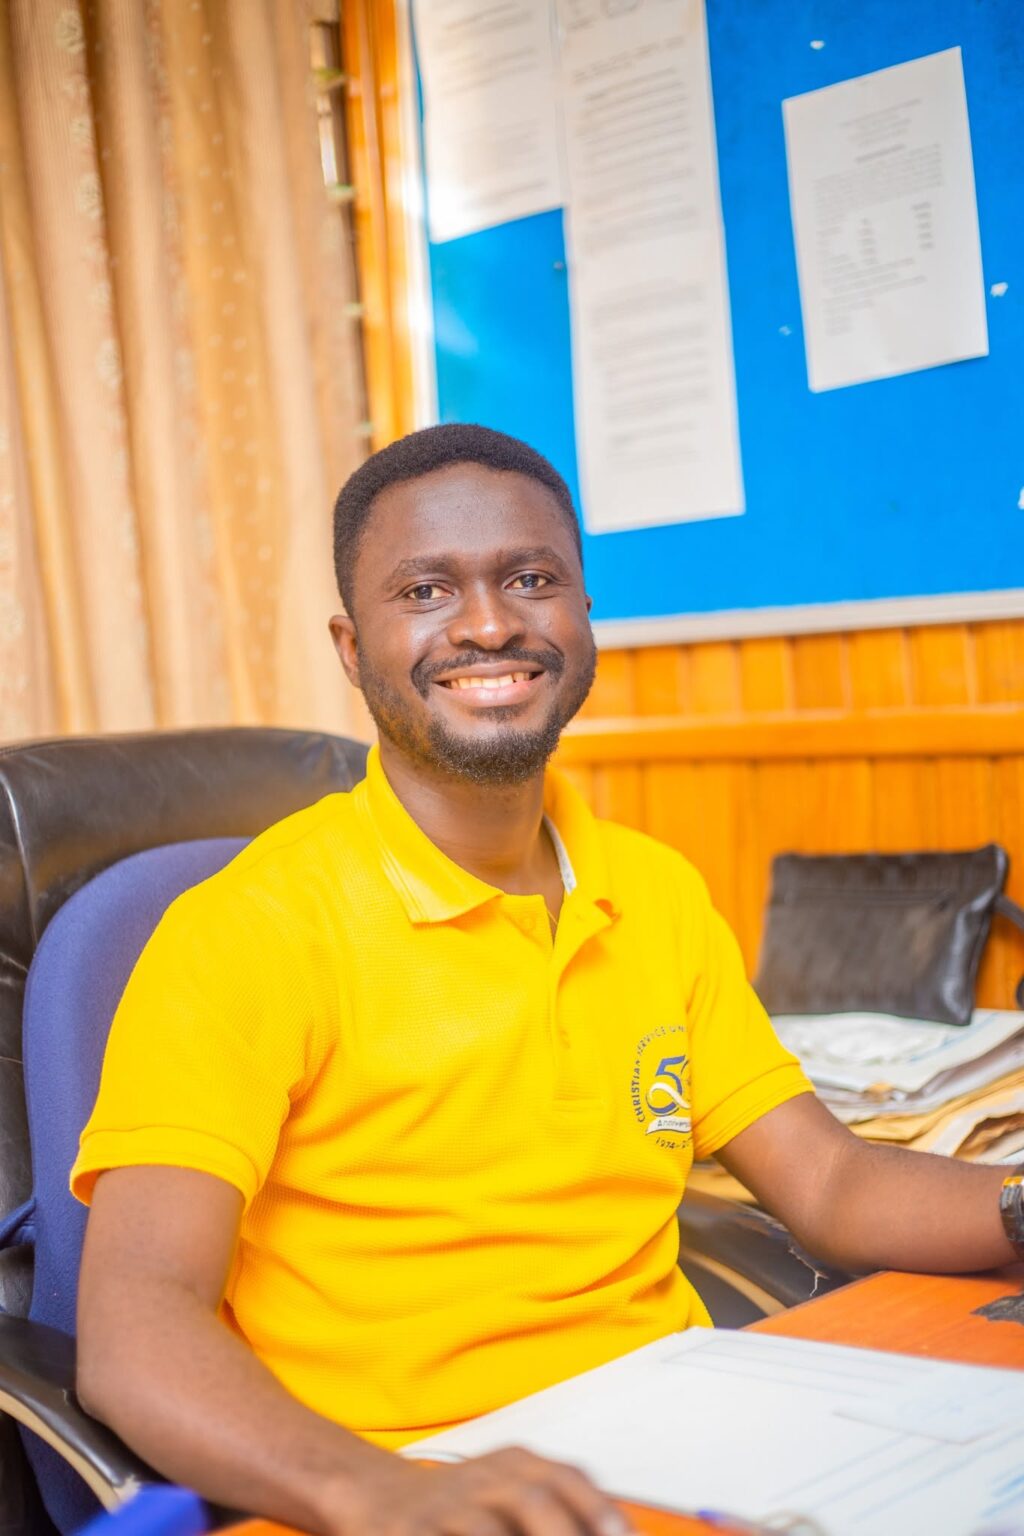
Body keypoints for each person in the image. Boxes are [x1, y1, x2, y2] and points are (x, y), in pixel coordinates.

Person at [73, 425, 1018, 1536]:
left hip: (693, 1438)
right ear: (351, 646)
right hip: (402, 1482)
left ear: (582, 616)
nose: (488, 623)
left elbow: (832, 1184)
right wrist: (380, 1491)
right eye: (425, 590)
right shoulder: (248, 930)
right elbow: (136, 1327)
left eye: (530, 579)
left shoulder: (653, 889)